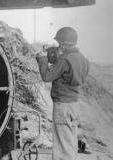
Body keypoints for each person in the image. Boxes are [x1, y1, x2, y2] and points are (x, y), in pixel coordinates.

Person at [36, 27, 90, 160]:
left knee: (61, 147)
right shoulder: (83, 59)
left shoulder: (64, 60)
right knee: (70, 143)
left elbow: (46, 77)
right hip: (74, 105)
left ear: (66, 44)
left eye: (60, 43)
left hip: (62, 106)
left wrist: (43, 59)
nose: (59, 47)